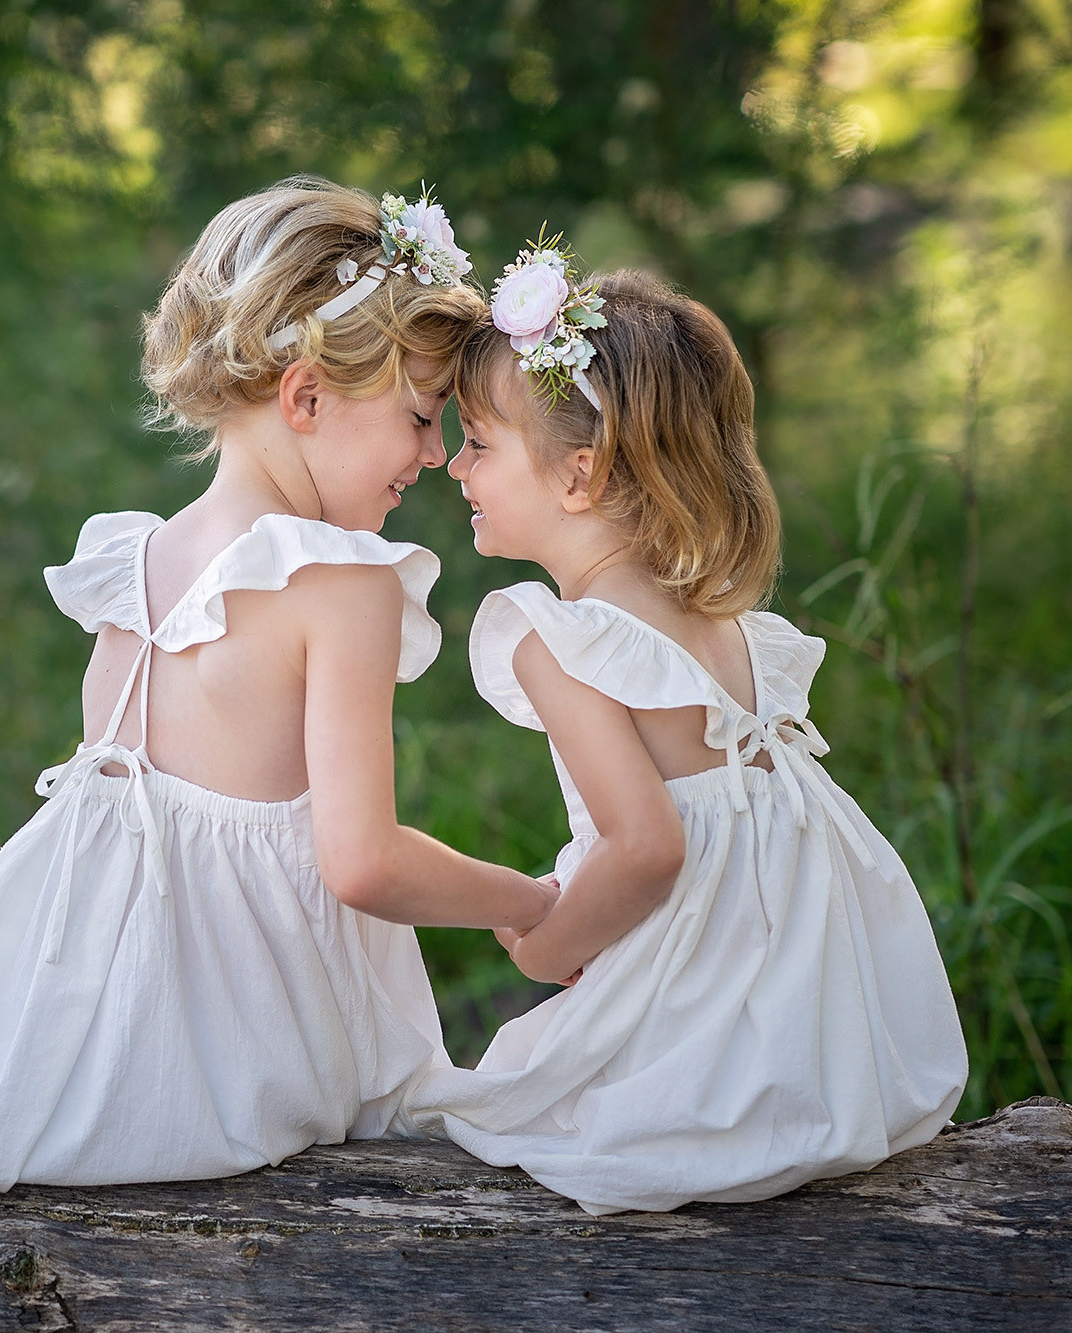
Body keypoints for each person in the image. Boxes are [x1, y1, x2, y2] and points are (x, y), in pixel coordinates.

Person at [0, 178, 557, 1192]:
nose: (432, 457)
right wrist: (528, 899)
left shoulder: (134, 563)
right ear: (304, 397)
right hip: (235, 1066)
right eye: (418, 417)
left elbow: (121, 844)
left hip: (75, 1055)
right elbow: (361, 862)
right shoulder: (335, 583)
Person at [398, 248, 968, 1215]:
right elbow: (736, 839)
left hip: (704, 1003)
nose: (455, 464)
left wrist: (543, 944)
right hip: (816, 1028)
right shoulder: (726, 620)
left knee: (481, 1108)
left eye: (481, 444)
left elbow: (650, 848)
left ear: (579, 474)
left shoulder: (561, 637)